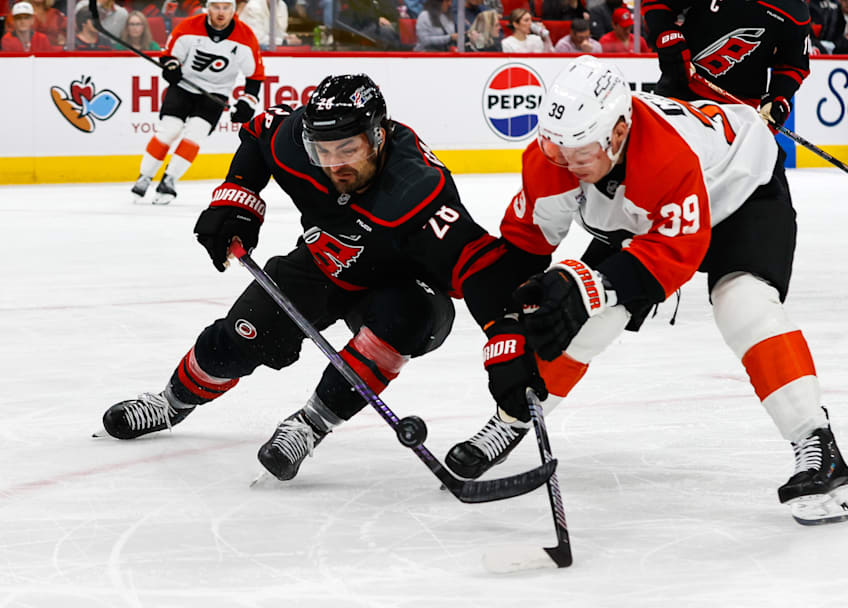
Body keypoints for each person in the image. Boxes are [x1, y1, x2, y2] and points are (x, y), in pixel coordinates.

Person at [444, 56, 848, 526]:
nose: (565, 164)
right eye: (556, 151)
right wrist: (510, 329)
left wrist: (589, 285)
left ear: (618, 133)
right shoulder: (557, 155)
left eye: (580, 154)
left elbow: (675, 252)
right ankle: (515, 418)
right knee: (583, 319)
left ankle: (818, 447)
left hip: (741, 191)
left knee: (742, 302)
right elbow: (525, 249)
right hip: (651, 212)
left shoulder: (665, 154)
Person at [98, 74, 551, 484]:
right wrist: (235, 201)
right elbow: (257, 136)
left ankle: (309, 425)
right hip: (324, 263)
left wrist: (506, 340)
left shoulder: (416, 188)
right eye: (323, 151)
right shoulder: (297, 142)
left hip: (400, 284)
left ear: (378, 136)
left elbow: (475, 264)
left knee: (406, 319)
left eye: (348, 150)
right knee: (242, 338)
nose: (334, 165)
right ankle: (170, 403)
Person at [130, 0, 264, 205]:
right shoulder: (188, 27)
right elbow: (169, 56)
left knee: (196, 134)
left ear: (233, 10)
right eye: (216, 7)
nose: (221, 12)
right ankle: (145, 176)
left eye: (226, 7)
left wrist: (247, 102)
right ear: (208, 8)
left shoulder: (245, 37)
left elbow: (254, 76)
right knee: (169, 130)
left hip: (216, 94)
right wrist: (172, 68)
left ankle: (169, 180)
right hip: (184, 87)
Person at [642, 0, 811, 130]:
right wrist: (667, 36)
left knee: (768, 174)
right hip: (680, 95)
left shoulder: (794, 10)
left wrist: (779, 98)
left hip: (740, 114)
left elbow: (793, 64)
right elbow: (657, 3)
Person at [238, 0, 302, 47]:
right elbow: (258, 38)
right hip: (246, 50)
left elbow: (278, 31)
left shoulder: (282, 5)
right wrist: (285, 41)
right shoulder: (253, 6)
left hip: (268, 50)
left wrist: (286, 37)